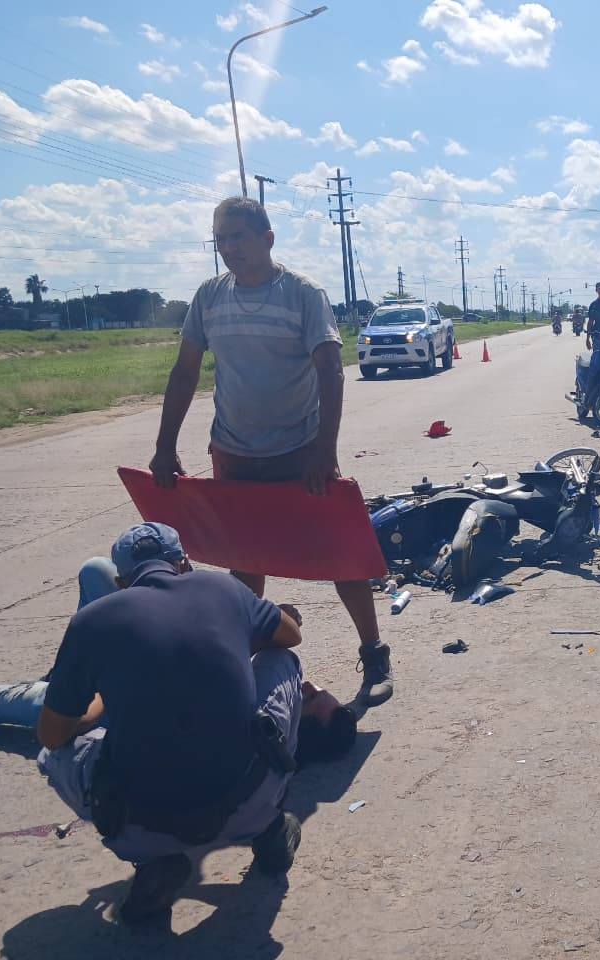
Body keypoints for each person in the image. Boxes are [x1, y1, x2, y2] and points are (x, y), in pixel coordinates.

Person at [149, 197, 392, 707]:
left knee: (340, 554)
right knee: (244, 560)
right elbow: (185, 371)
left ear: (268, 239)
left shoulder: (303, 294)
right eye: (221, 238)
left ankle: (374, 654)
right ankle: (240, 659)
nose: (229, 247)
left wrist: (324, 450)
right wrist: (164, 446)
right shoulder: (209, 296)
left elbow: (330, 371)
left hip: (300, 451)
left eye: (238, 236)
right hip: (234, 452)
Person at [32, 523, 312, 926]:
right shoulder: (223, 588)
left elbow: (51, 734)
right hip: (247, 798)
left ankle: (153, 860)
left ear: (120, 582)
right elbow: (291, 635)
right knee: (282, 661)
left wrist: (107, 695)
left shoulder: (90, 622)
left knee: (50, 757)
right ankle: (269, 827)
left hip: (143, 822)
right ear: (184, 563)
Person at [0, 559, 357, 769]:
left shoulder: (248, 726)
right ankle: (67, 676)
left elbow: (58, 733)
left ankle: (57, 686)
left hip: (106, 703)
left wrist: (98, 690)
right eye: (319, 691)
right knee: (97, 572)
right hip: (128, 669)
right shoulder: (263, 700)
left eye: (309, 699)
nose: (308, 686)